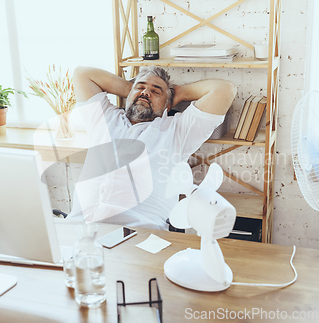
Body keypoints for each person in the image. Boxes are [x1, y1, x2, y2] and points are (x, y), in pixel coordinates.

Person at [66, 66, 236, 230]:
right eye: (141, 87)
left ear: (167, 106)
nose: (146, 92)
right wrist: (133, 90)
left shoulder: (178, 129)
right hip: (81, 228)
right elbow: (82, 73)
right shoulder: (104, 117)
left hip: (140, 232)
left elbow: (224, 90)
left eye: (156, 91)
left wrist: (180, 93)